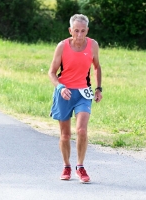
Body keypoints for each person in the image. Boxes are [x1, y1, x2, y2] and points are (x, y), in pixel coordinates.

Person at [48, 14, 102, 183]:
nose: (79, 35)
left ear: (87, 30)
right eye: (76, 31)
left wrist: (99, 88)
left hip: (83, 94)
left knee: (81, 130)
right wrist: (60, 87)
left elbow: (97, 67)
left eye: (83, 31)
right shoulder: (62, 46)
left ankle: (80, 166)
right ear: (70, 30)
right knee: (65, 135)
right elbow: (51, 72)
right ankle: (66, 166)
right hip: (64, 93)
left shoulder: (93, 45)